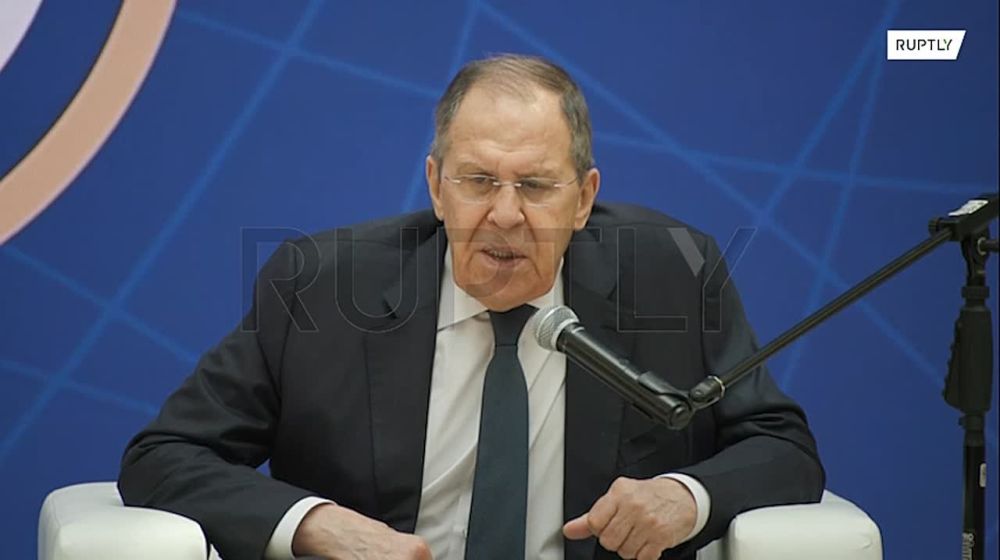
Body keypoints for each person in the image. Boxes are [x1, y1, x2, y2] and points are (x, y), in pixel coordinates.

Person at [119, 54, 824, 560]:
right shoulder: (321, 286)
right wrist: (318, 524)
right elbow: (165, 456)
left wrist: (684, 496)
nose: (505, 215)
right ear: (436, 186)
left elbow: (783, 448)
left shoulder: (672, 272)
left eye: (536, 186)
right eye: (479, 180)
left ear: (584, 198)